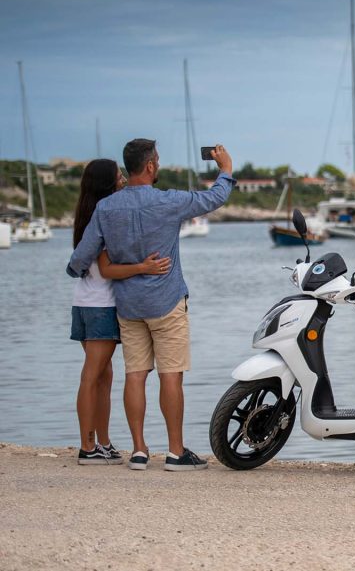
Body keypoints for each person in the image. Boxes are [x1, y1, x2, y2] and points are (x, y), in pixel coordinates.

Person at [67, 139, 235, 471]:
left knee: (135, 375)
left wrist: (75, 269)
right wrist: (225, 169)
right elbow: (214, 197)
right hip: (166, 300)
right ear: (150, 166)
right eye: (156, 160)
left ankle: (139, 451)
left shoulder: (107, 208)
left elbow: (82, 256)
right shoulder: (168, 201)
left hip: (129, 306)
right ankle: (175, 452)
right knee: (170, 375)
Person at [70, 159, 172, 465]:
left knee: (103, 375)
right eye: (118, 176)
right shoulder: (104, 216)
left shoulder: (90, 212)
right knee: (92, 375)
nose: (123, 180)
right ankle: (88, 446)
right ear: (107, 183)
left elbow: (80, 265)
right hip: (101, 305)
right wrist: (144, 267)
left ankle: (102, 442)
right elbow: (103, 267)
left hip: (84, 303)